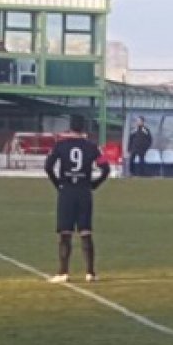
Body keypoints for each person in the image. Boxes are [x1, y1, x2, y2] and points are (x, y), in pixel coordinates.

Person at [44, 115, 111, 284]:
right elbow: (106, 168)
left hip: (67, 191)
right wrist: (94, 184)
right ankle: (90, 273)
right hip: (84, 191)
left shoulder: (60, 145)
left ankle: (63, 273)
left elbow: (48, 166)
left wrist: (57, 183)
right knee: (86, 232)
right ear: (83, 128)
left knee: (65, 233)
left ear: (70, 128)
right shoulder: (92, 147)